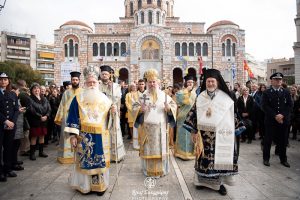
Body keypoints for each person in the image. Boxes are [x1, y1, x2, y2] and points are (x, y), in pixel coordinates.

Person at [183, 69, 238, 196]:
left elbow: (234, 116)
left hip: (220, 135)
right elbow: (193, 115)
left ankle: (219, 185)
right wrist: (193, 131)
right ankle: (201, 182)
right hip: (203, 137)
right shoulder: (200, 97)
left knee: (218, 161)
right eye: (208, 81)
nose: (210, 84)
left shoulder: (226, 98)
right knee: (203, 160)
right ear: (205, 82)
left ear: (218, 82)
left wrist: (234, 131)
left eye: (213, 81)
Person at [66, 65, 113, 196]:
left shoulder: (104, 98)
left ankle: (100, 187)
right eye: (89, 82)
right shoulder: (78, 98)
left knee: (100, 161)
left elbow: (109, 119)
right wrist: (73, 136)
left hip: (101, 136)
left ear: (97, 83)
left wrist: (113, 113)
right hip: (84, 135)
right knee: (85, 161)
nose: (92, 85)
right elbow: (73, 116)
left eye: (93, 82)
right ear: (85, 83)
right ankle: (85, 186)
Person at [133, 69, 177, 177]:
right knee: (148, 150)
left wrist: (169, 109)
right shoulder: (142, 96)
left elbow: (174, 106)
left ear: (158, 82)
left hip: (161, 129)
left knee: (160, 150)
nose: (152, 84)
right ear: (147, 83)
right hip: (147, 129)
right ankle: (148, 170)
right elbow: (134, 107)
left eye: (154, 82)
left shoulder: (164, 95)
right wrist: (140, 110)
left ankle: (162, 170)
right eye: (150, 82)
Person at [261, 72, 293, 167]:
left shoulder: (286, 91)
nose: (279, 81)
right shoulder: (266, 92)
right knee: (268, 140)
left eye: (280, 79)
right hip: (271, 121)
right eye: (276, 79)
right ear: (272, 81)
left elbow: (290, 106)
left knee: (283, 141)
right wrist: (275, 116)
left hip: (283, 121)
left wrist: (282, 115)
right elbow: (264, 106)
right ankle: (266, 159)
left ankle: (283, 159)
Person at [98, 65, 125, 162]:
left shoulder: (116, 86)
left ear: (110, 75)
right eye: (103, 74)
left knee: (114, 133)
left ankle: (115, 155)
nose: (104, 75)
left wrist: (110, 90)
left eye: (106, 74)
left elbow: (116, 99)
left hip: (112, 113)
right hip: (101, 114)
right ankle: (104, 154)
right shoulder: (98, 85)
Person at [54, 71, 81, 164]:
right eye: (73, 80)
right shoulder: (66, 92)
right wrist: (59, 117)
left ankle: (78, 155)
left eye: (76, 80)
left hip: (78, 116)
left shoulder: (82, 91)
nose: (75, 81)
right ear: (71, 80)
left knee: (78, 136)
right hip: (66, 116)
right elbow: (62, 105)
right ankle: (66, 157)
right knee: (66, 136)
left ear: (79, 80)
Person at [0, 72, 19, 182]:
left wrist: (12, 122)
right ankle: (0, 172)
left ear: (8, 81)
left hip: (11, 126)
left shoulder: (12, 94)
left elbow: (16, 109)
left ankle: (7, 169)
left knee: (8, 148)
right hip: (1, 125)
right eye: (1, 79)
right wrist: (5, 121)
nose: (3, 81)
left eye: (5, 79)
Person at [174, 75, 197, 160]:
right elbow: (181, 100)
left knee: (190, 135)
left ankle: (191, 152)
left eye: (191, 82)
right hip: (183, 117)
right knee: (182, 135)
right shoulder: (182, 91)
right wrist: (186, 91)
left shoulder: (194, 92)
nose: (190, 84)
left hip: (192, 117)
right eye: (188, 83)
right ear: (185, 83)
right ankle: (181, 153)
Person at [27, 83, 51, 160]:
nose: (36, 90)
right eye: (34, 89)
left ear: (40, 90)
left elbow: (49, 108)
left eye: (38, 88)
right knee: (34, 137)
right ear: (31, 90)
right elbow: (31, 110)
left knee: (42, 136)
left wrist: (46, 116)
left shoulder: (44, 98)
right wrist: (39, 116)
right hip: (35, 120)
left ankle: (41, 152)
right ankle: (32, 154)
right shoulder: (29, 98)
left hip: (44, 121)